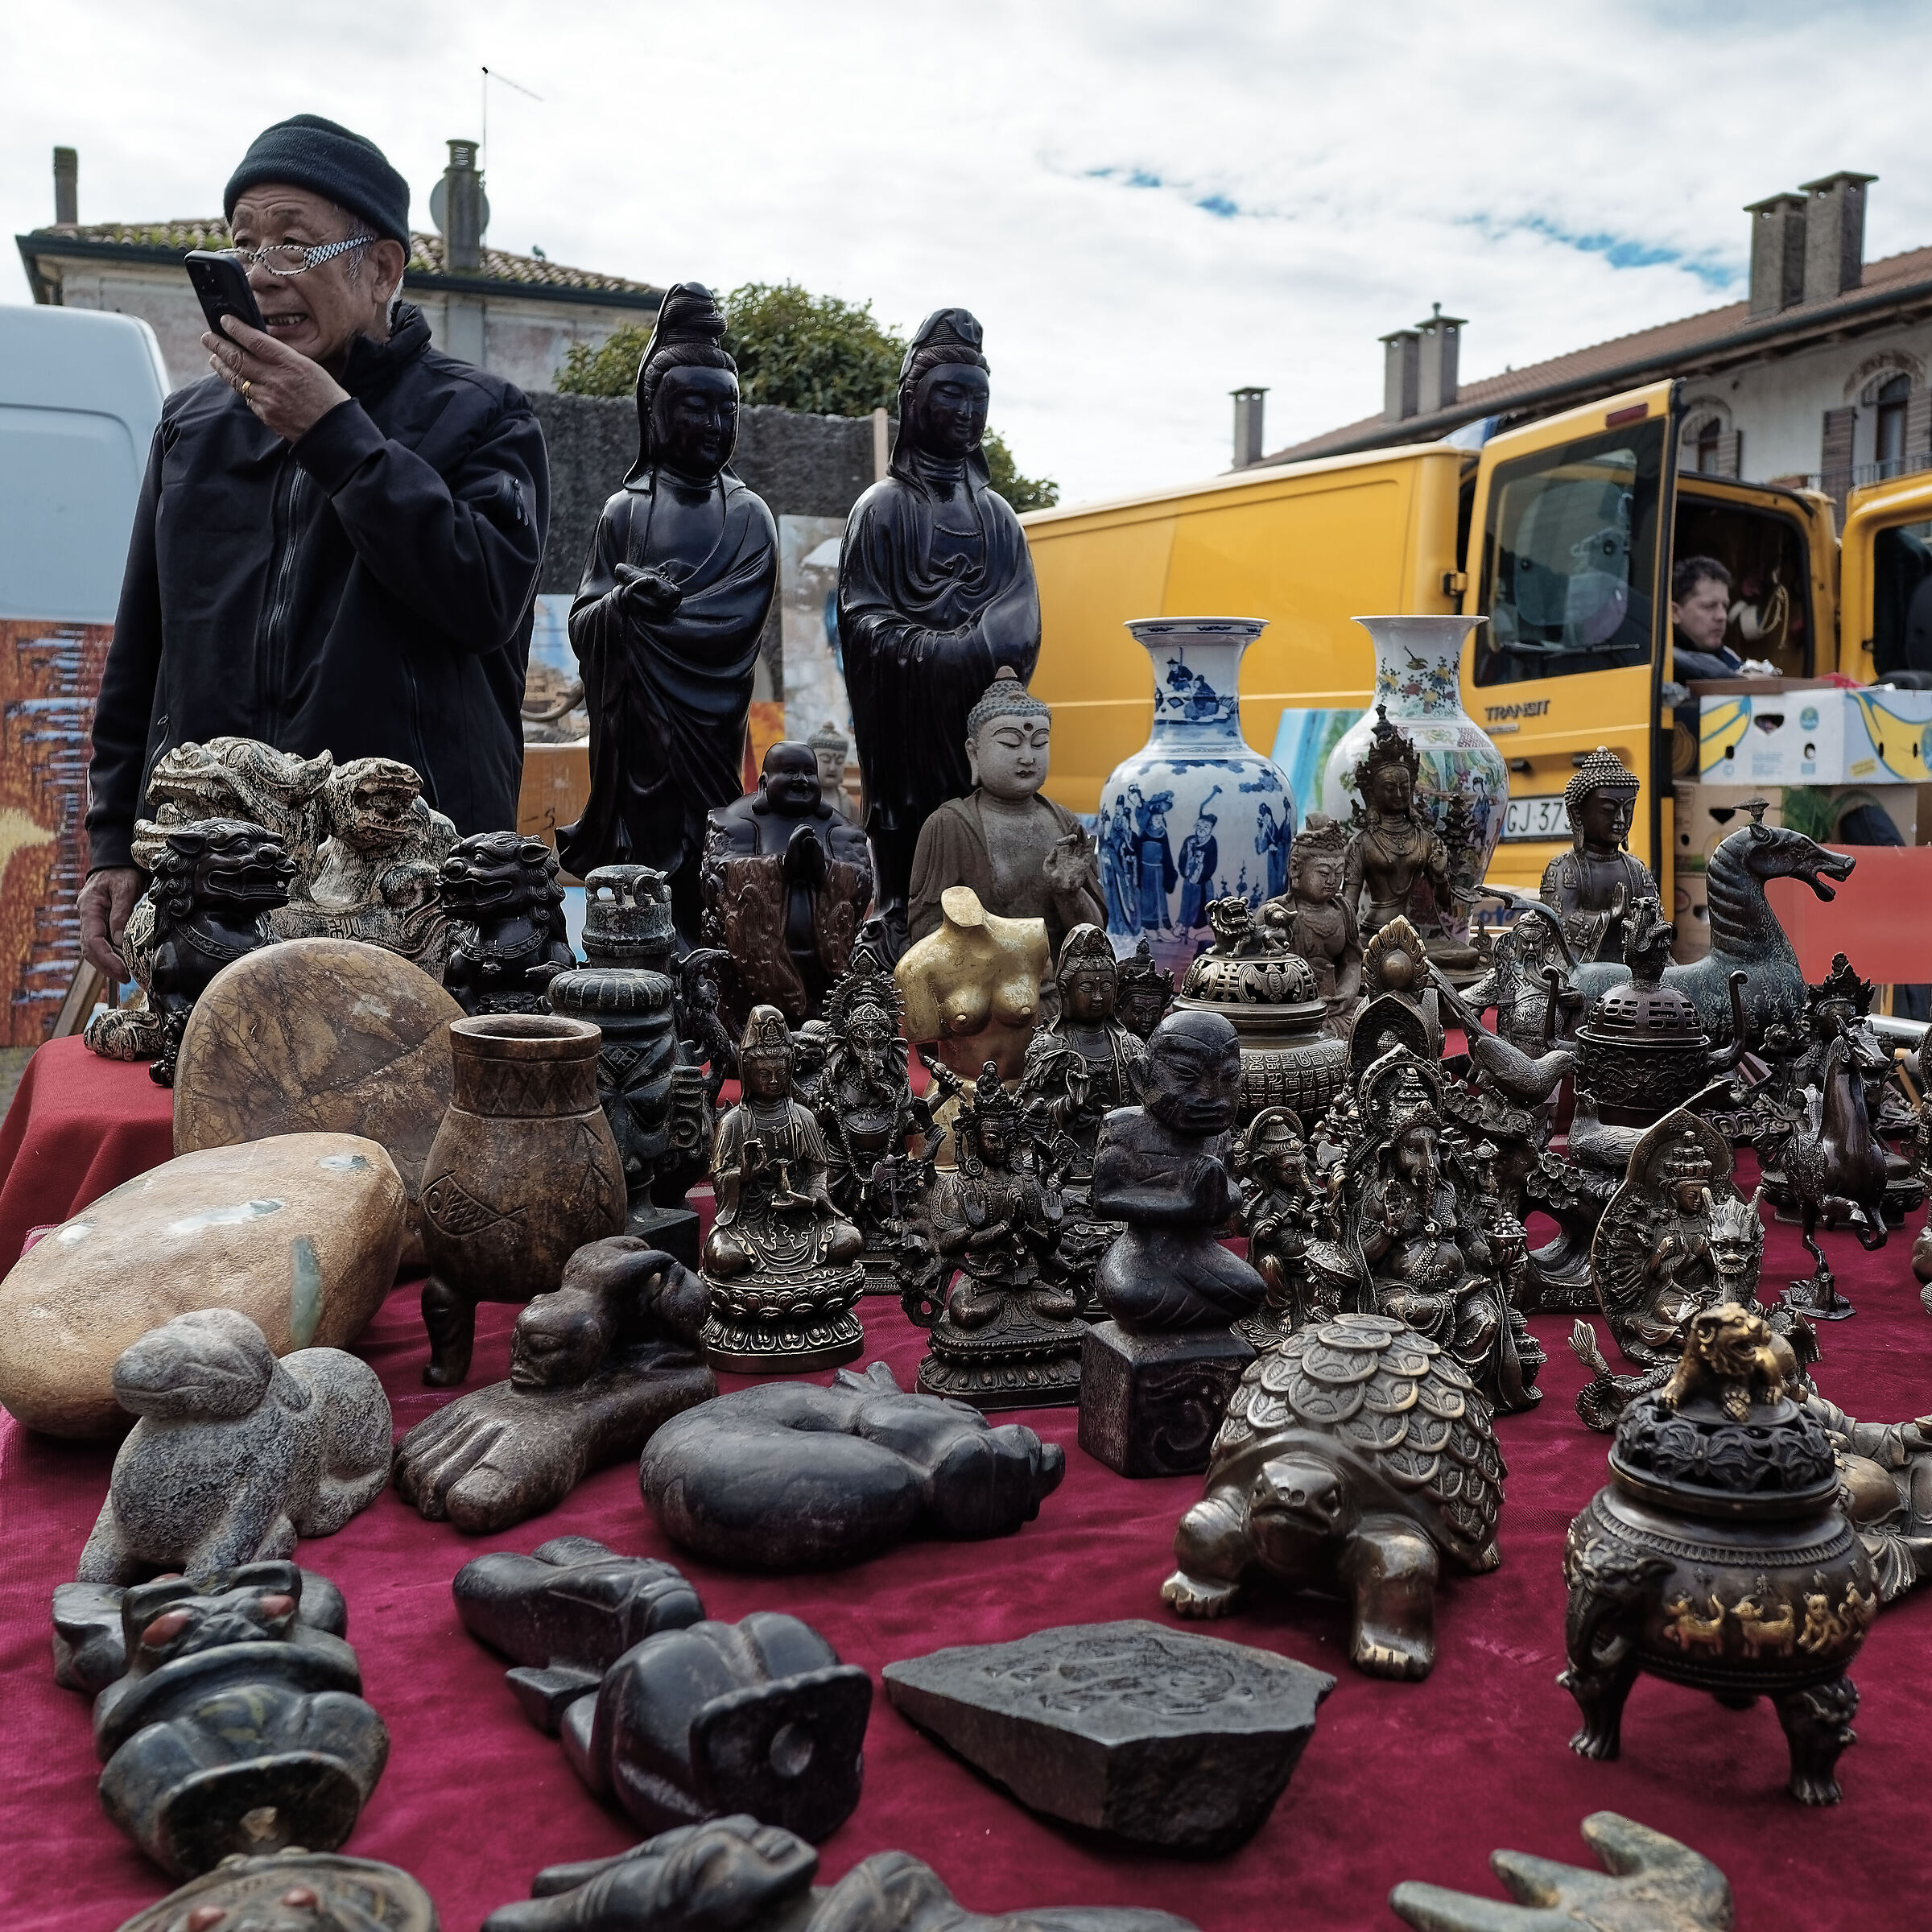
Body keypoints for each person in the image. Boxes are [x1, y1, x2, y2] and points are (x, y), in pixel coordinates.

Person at [80, 114, 549, 980]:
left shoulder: (482, 416)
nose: (260, 276)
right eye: (243, 245)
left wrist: (334, 433)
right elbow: (143, 650)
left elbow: (482, 599)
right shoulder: (192, 428)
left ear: (381, 271)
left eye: (294, 248)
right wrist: (114, 839)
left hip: (406, 890)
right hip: (221, 880)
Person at [558, 284, 778, 940]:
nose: (713, 424)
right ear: (654, 412)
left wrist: (660, 617)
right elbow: (583, 621)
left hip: (708, 726)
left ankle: (702, 947)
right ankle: (635, 950)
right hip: (634, 744)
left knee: (708, 842)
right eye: (695, 406)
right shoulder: (625, 512)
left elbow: (738, 625)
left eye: (726, 408)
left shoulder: (748, 516)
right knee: (635, 862)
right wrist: (623, 606)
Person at [836, 309, 1041, 952]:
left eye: (978, 397)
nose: (965, 410)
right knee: (909, 840)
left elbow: (1022, 621)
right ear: (912, 400)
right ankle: (904, 914)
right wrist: (947, 649)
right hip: (906, 724)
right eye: (950, 392)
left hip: (975, 722)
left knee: (986, 833)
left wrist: (975, 651)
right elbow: (861, 619)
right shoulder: (883, 510)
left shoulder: (999, 517)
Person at [1670, 555, 1744, 683]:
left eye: (1725, 606)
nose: (1722, 616)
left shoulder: (1732, 661)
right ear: (1675, 613)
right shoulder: (1657, 662)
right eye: (1709, 606)